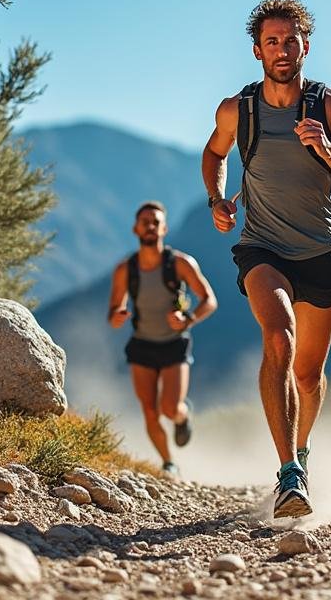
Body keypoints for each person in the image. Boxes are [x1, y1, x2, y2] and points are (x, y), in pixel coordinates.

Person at [201, 0, 331, 517]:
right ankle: (288, 475)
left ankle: (301, 452)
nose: (282, 49)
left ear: (306, 44)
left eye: (290, 39)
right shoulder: (239, 109)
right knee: (278, 337)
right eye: (271, 41)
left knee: (308, 375)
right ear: (257, 51)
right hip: (262, 247)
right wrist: (216, 197)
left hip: (320, 253)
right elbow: (214, 152)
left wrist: (328, 150)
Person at [107, 201, 217, 476]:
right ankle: (169, 462)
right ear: (135, 228)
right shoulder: (125, 269)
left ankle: (182, 415)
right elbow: (113, 310)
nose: (150, 226)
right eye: (145, 221)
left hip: (174, 345)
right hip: (142, 345)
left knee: (169, 408)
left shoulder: (180, 263)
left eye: (156, 222)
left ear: (164, 228)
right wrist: (117, 316)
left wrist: (188, 319)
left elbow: (209, 300)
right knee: (149, 410)